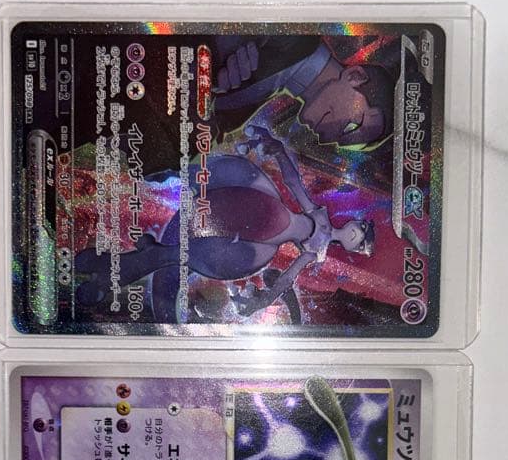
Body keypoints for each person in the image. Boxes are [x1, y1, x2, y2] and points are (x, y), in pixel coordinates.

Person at [75, 127, 375, 323]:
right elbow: (293, 182)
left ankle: (108, 274)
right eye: (362, 229)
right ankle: (149, 164)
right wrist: (277, 149)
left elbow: (287, 279)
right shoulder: (318, 213)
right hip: (262, 205)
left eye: (360, 241)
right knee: (203, 175)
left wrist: (263, 300)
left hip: (258, 243)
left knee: (176, 254)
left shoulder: (315, 251)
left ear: (352, 249)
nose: (356, 234)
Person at [209, 35, 396, 150]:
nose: (326, 139)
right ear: (355, 76)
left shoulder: (239, 115)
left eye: (345, 142)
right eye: (350, 128)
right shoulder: (289, 35)